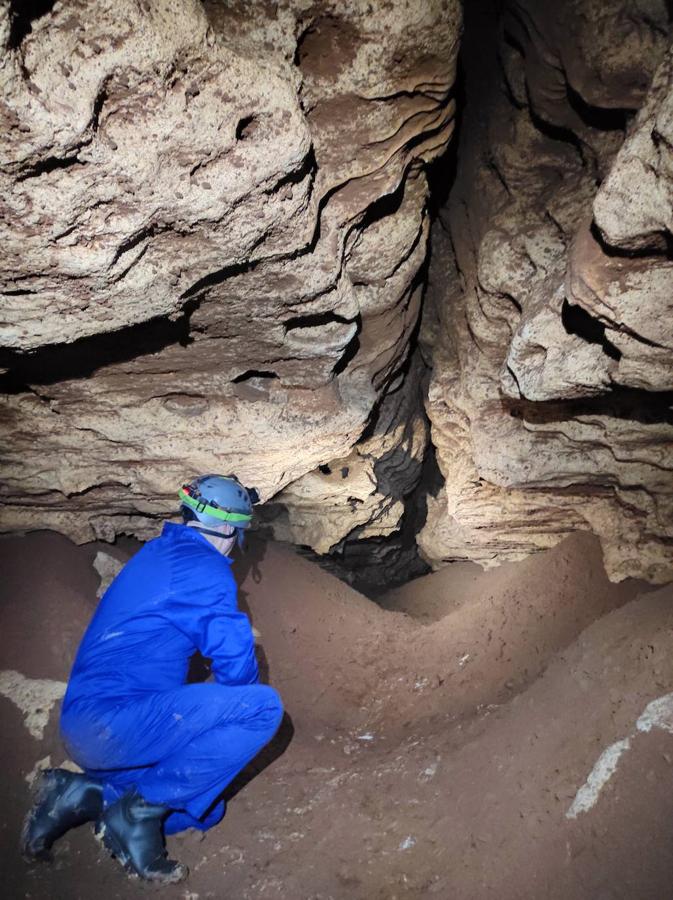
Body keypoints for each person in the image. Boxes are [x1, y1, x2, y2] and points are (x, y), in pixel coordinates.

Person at [21, 474, 283, 883]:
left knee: (206, 809)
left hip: (87, 726)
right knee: (260, 709)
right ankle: (136, 814)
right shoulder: (205, 567)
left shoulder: (157, 554)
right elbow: (236, 668)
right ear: (231, 529)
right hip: (115, 726)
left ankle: (83, 793)